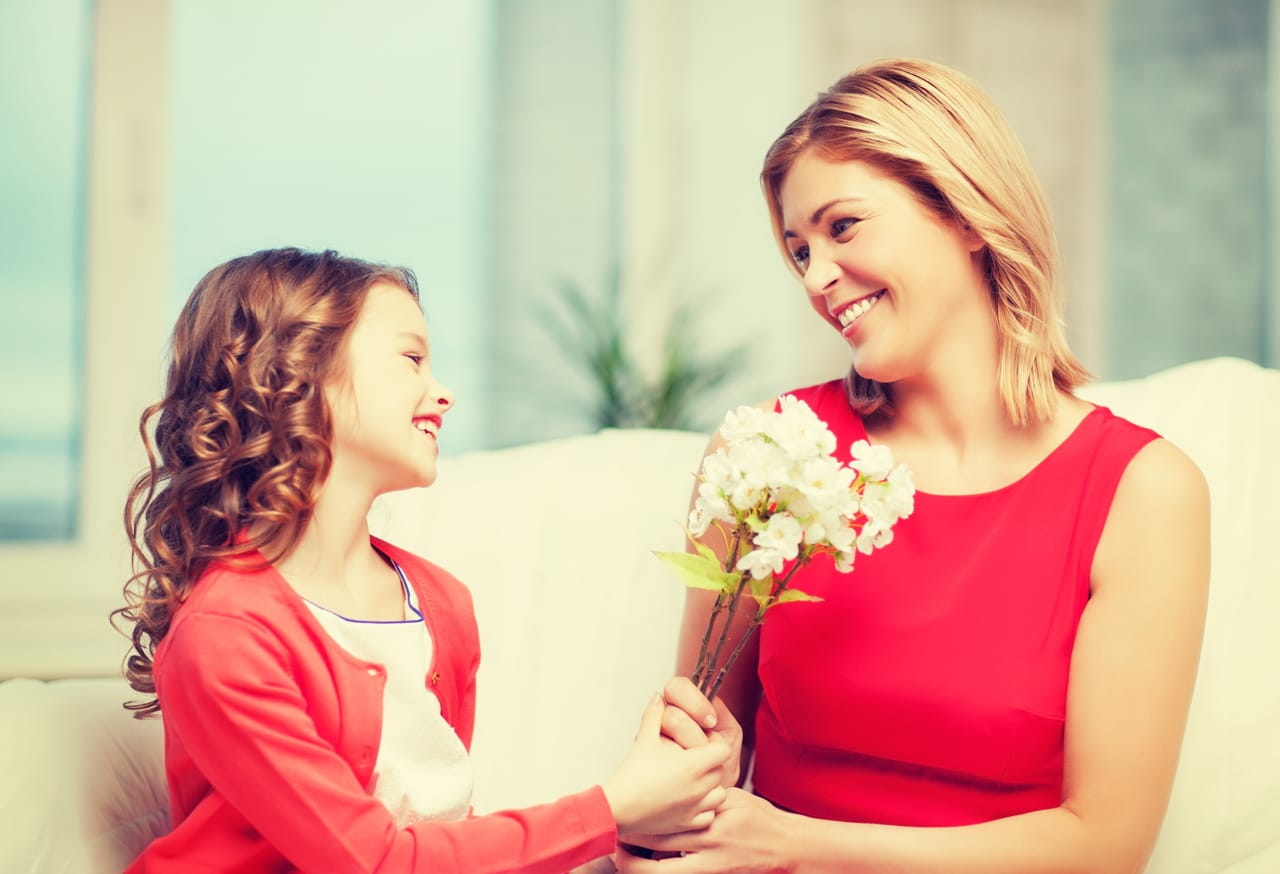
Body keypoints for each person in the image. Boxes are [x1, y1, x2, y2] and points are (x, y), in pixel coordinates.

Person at [621, 58, 1210, 872]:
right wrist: (679, 798)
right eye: (798, 251)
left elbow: (1105, 846)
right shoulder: (770, 451)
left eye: (843, 227)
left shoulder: (1142, 492)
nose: (818, 278)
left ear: (965, 211)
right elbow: (689, 773)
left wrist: (794, 848)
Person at [113, 247, 731, 873]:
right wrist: (614, 810)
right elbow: (375, 862)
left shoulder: (440, 601)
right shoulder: (224, 634)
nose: (444, 394)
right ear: (297, 372)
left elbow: (442, 834)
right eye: (411, 359)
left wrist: (656, 807)